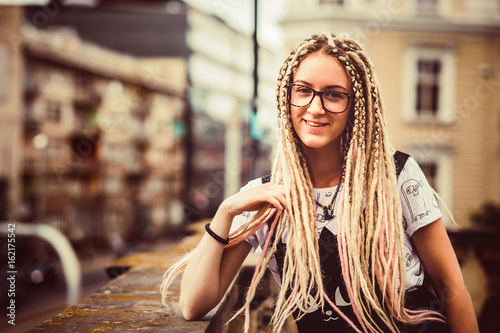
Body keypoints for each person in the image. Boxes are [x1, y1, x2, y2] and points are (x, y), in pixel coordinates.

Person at [161, 33, 479, 333]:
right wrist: (227, 211)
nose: (315, 107)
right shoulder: (265, 201)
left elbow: (451, 286)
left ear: (355, 104)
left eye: (333, 94)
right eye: (303, 91)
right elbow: (193, 305)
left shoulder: (397, 175)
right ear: (287, 98)